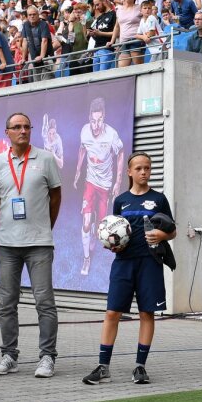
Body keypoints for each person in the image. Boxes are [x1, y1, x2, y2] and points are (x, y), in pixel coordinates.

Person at [83, 152, 175, 385]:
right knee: (112, 312)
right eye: (139, 168)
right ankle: (103, 366)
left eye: (147, 168)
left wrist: (162, 234)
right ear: (129, 171)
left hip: (150, 263)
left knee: (146, 313)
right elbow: (113, 231)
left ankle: (140, 367)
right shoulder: (121, 200)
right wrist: (112, 245)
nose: (144, 172)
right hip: (124, 264)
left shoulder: (159, 199)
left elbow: (172, 230)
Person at [0, 112, 62, 377]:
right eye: (17, 127)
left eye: (27, 127)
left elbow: (55, 197)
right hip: (7, 243)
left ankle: (47, 357)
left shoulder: (46, 159)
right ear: (6, 132)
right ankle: (9, 356)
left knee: (44, 302)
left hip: (39, 243)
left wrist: (43, 225)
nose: (23, 131)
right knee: (7, 303)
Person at [74, 96, 124, 276]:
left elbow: (120, 153)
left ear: (104, 118)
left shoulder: (111, 134)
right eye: (93, 121)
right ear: (89, 119)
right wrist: (78, 170)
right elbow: (82, 149)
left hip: (105, 184)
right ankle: (87, 258)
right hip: (90, 182)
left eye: (100, 120)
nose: (96, 125)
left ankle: (96, 223)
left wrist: (118, 181)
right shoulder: (84, 131)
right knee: (86, 223)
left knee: (99, 229)